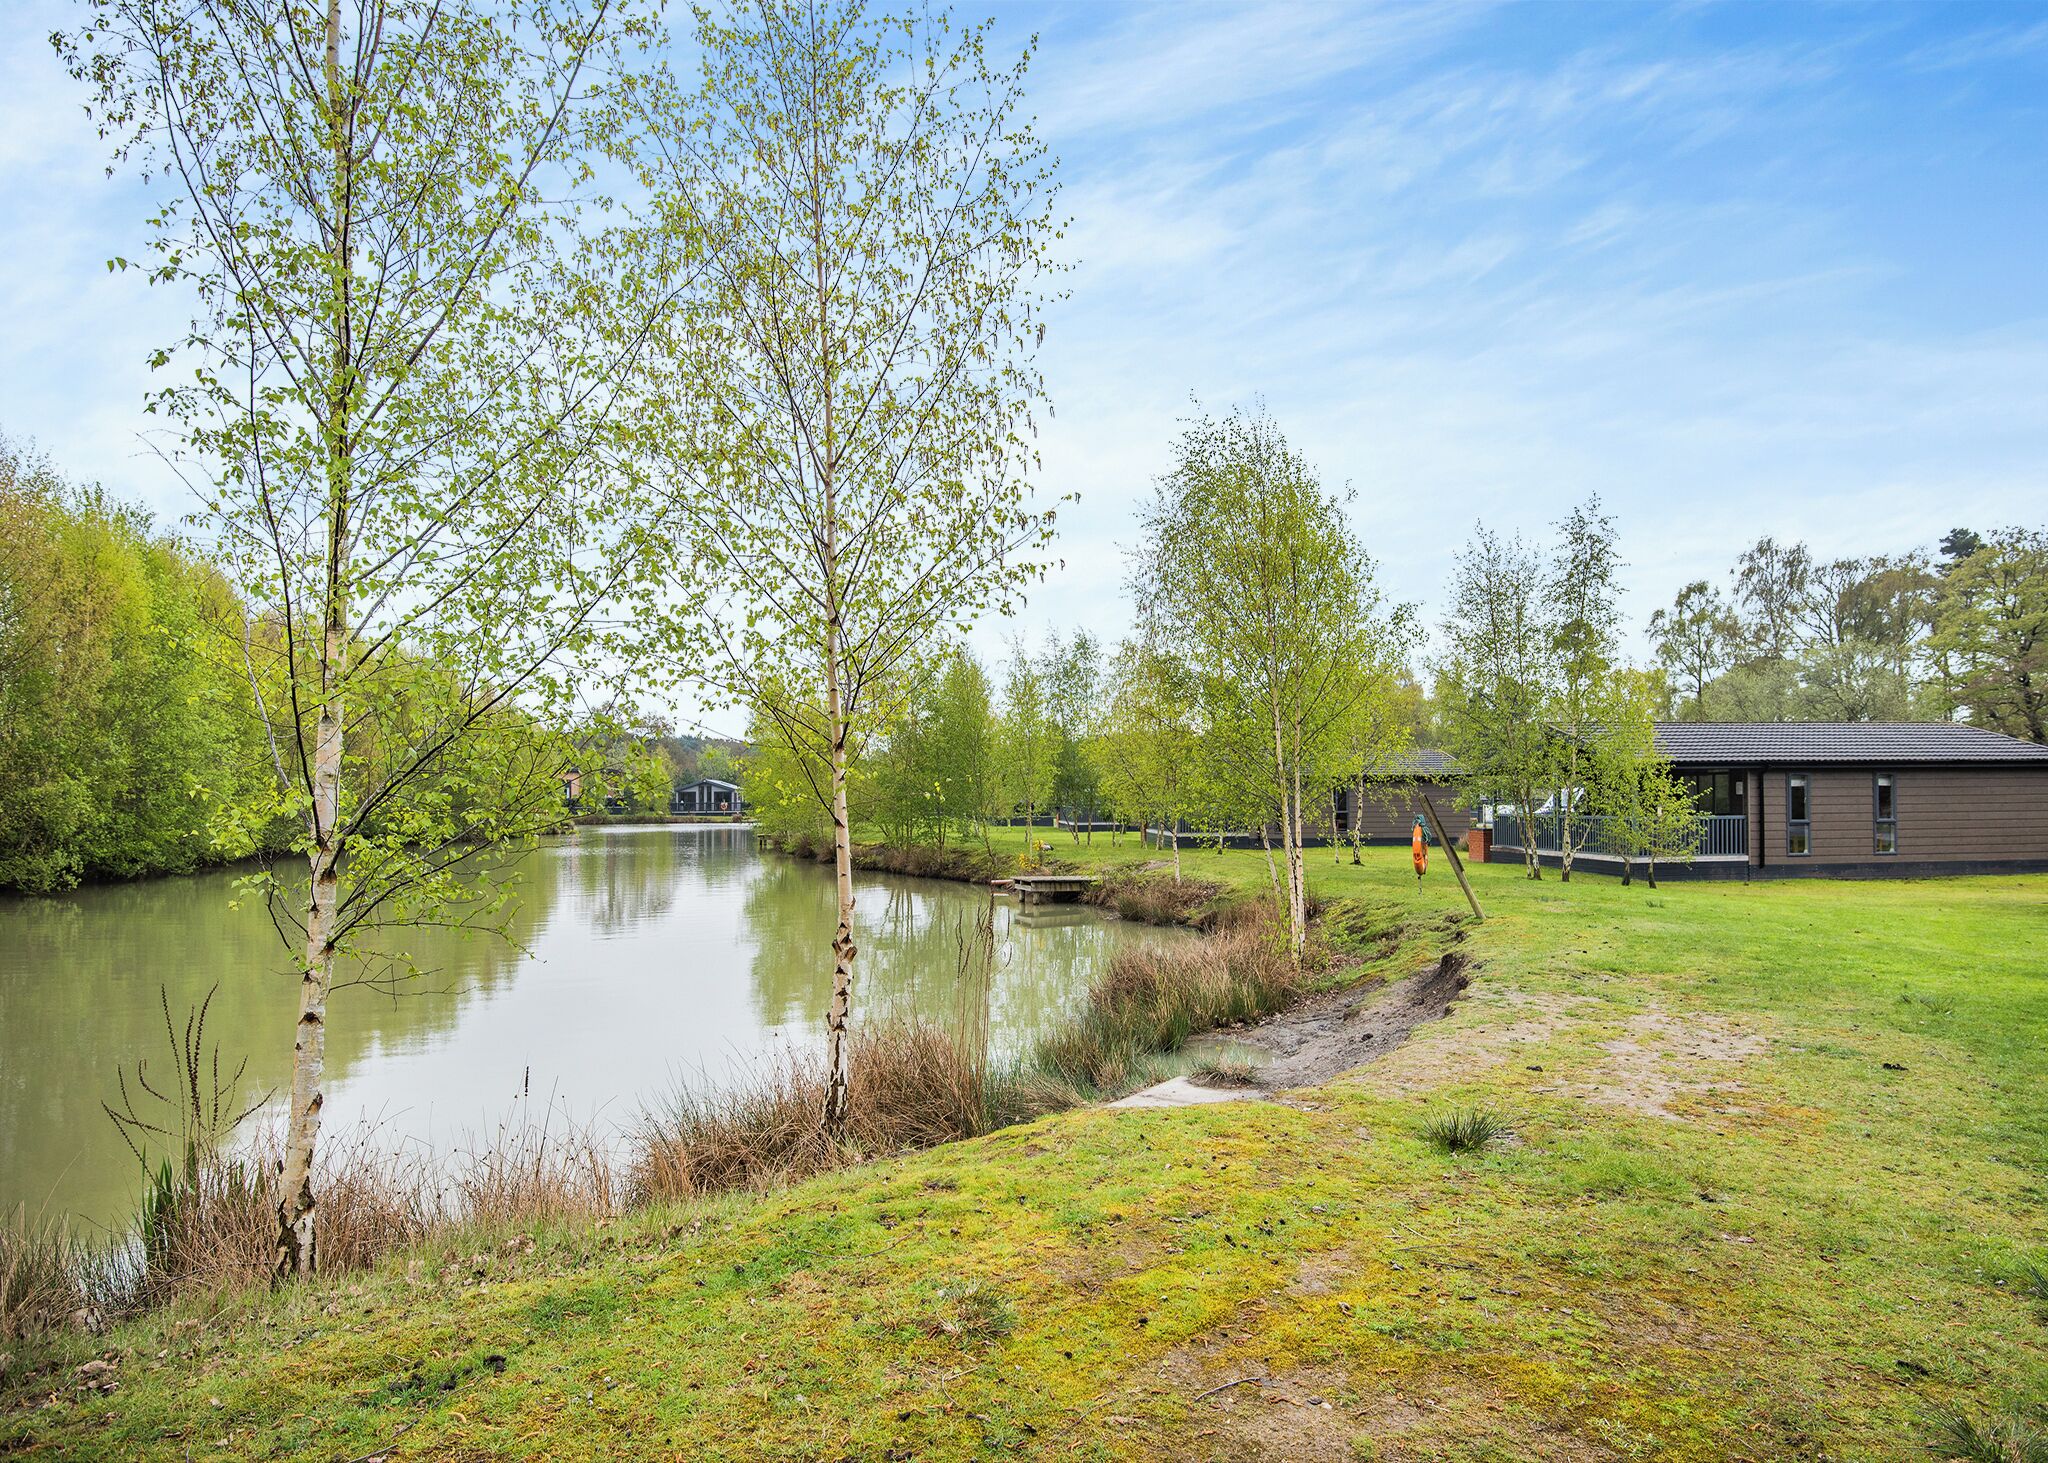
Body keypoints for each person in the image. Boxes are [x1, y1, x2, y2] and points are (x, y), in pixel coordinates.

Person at [1411, 816, 1428, 886]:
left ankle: (1422, 868)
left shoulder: (1422, 830)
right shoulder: (1417, 830)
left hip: (1422, 849)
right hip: (1419, 852)